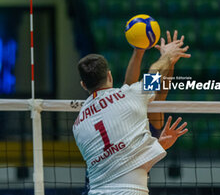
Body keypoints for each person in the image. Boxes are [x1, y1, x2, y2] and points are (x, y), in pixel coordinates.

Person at [73, 30, 190, 195]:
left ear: (83, 85)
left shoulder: (77, 125)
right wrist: (167, 56)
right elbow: (155, 74)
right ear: (109, 75)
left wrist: (139, 50)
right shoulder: (129, 97)